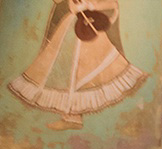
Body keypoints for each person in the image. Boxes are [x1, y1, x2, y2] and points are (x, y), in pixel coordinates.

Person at [8, 0, 147, 130]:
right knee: (66, 73)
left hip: (88, 34)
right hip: (70, 31)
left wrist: (89, 6)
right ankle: (72, 117)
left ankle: (73, 116)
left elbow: (112, 4)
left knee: (85, 74)